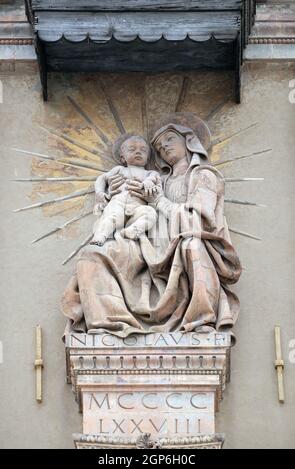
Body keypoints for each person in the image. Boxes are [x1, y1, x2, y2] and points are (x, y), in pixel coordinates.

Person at [62, 114, 242, 339]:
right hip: (146, 244)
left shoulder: (204, 176)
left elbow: (198, 221)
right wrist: (109, 194)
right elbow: (122, 210)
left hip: (182, 247)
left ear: (188, 141)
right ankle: (105, 325)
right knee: (92, 254)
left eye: (169, 139)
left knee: (192, 245)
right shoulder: (158, 179)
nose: (163, 146)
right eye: (158, 146)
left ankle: (200, 320)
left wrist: (158, 202)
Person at [91, 134, 161, 245]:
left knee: (150, 213)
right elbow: (102, 178)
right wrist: (99, 193)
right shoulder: (119, 169)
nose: (138, 152)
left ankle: (132, 231)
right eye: (132, 149)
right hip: (118, 203)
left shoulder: (150, 173)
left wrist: (148, 184)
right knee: (111, 217)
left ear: (148, 157)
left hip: (137, 208)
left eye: (143, 150)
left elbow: (154, 181)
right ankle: (101, 235)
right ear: (123, 157)